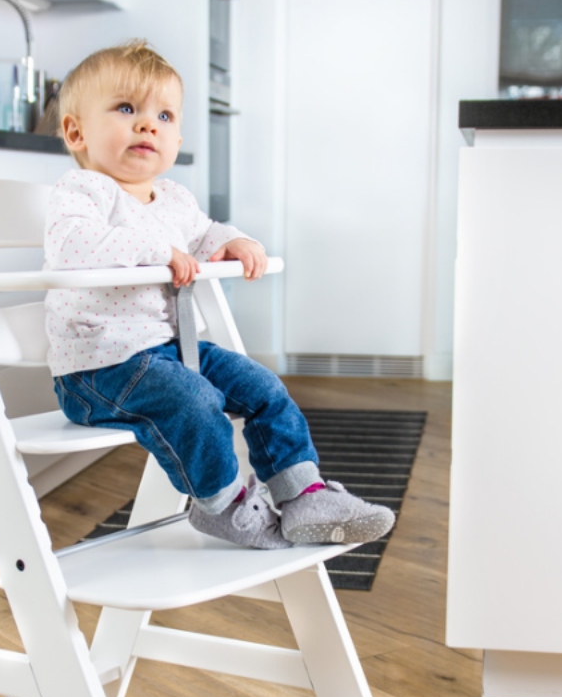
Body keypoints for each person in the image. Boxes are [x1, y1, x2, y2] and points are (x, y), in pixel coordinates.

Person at [43, 39, 394, 550]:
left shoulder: (174, 199)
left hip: (168, 353)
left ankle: (305, 495)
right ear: (76, 130)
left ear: (177, 135)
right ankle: (222, 504)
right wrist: (158, 251)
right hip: (100, 367)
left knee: (263, 387)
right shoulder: (82, 193)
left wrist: (232, 241)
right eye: (126, 109)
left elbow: (203, 233)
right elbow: (73, 247)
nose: (147, 124)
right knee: (196, 399)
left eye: (163, 115)